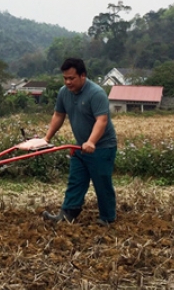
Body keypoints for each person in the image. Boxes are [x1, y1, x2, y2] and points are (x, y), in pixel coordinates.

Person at [41, 58, 118, 226]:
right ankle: (68, 213)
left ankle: (107, 218)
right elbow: (58, 115)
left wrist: (91, 142)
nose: (68, 82)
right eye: (65, 78)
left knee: (101, 182)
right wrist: (46, 139)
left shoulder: (96, 93)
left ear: (83, 76)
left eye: (71, 78)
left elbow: (102, 120)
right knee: (76, 180)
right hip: (80, 146)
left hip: (102, 146)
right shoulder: (64, 92)